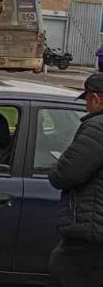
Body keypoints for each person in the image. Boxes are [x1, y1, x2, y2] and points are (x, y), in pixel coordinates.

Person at [47, 72, 103, 286]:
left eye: (87, 100)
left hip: (90, 233)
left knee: (66, 273)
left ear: (95, 98)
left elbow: (65, 174)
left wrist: (55, 167)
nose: (86, 107)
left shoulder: (97, 126)